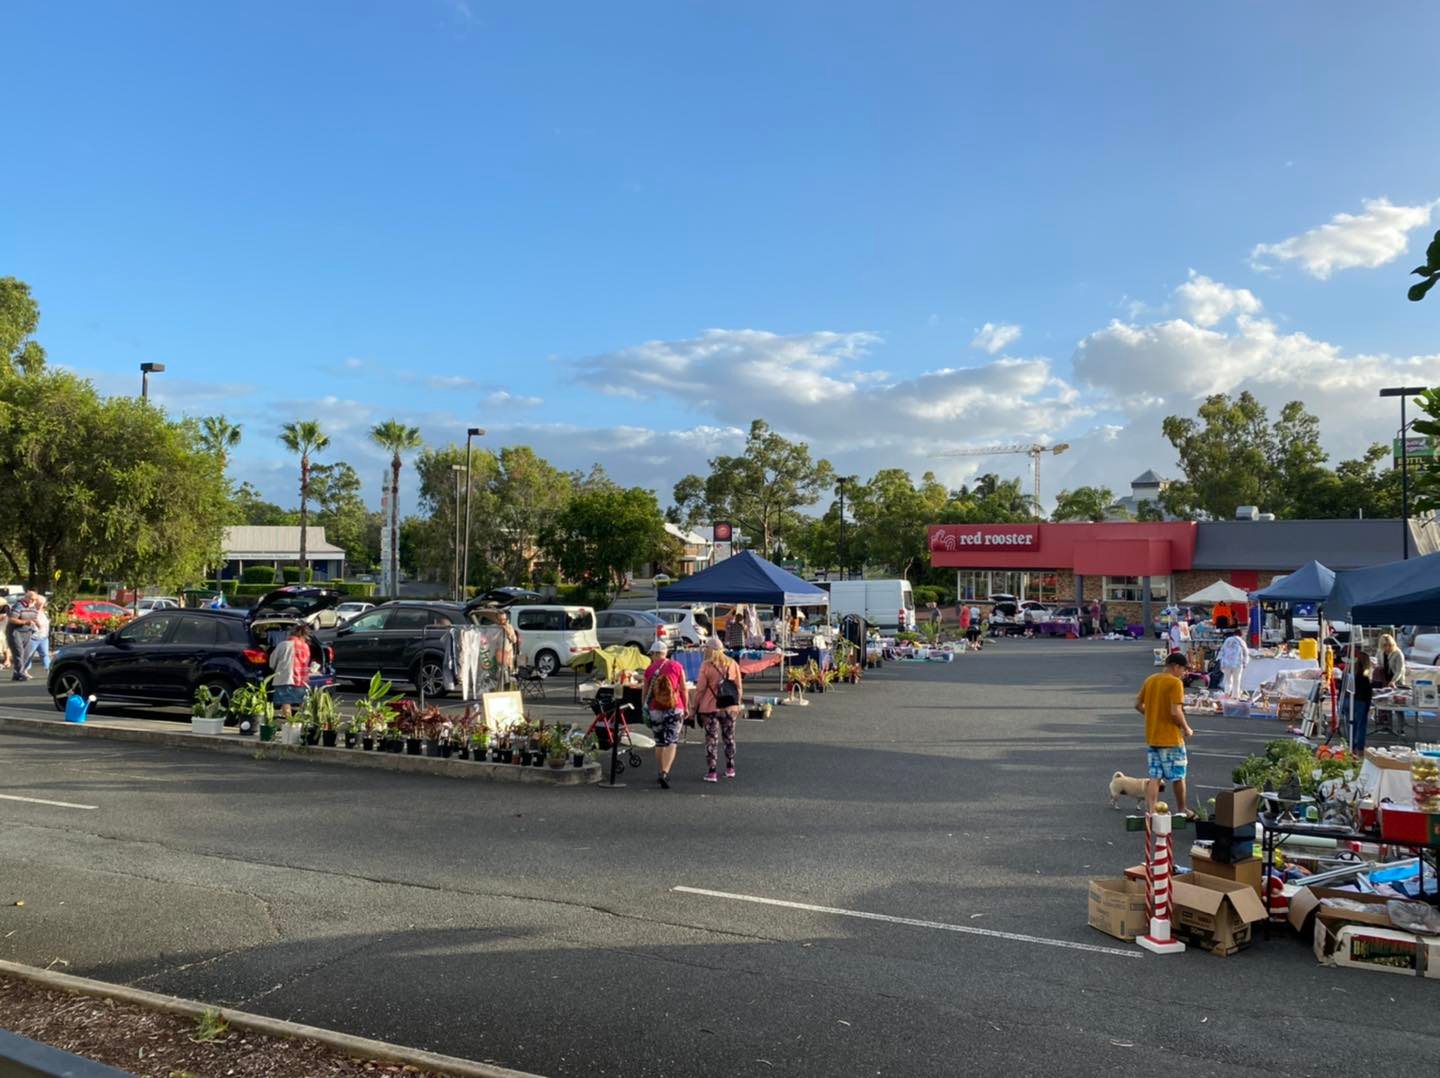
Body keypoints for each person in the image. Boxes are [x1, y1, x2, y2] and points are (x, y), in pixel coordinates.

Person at [1135, 652, 1195, 817]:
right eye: (1183, 669)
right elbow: (1175, 712)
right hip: (1171, 738)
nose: (1184, 673)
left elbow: (1138, 704)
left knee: (1155, 776)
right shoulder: (1175, 683)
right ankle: (1182, 810)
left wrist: (1152, 715)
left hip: (1153, 736)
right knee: (1178, 776)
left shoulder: (1151, 679)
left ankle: (1152, 811)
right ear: (1175, 667)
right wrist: (1186, 728)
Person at [690, 636, 743, 782]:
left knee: (711, 739)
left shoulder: (706, 665)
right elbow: (738, 687)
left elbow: (700, 689)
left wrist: (694, 707)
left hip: (710, 707)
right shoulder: (733, 664)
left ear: (710, 650)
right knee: (729, 737)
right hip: (730, 707)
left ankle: (712, 771)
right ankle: (730, 767)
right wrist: (737, 704)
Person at [643, 639, 687, 789]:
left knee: (660, 741)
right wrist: (686, 706)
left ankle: (661, 770)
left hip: (655, 708)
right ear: (666, 652)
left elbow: (645, 691)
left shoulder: (649, 669)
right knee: (671, 741)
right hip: (675, 707)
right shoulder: (677, 666)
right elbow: (683, 689)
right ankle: (665, 773)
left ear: (655, 654)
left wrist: (645, 707)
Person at [269, 622, 311, 721]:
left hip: (285, 678)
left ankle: (290, 722)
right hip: (301, 680)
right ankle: (303, 722)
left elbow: (272, 662)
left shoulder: (283, 645)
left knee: (286, 702)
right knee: (301, 702)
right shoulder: (305, 647)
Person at [8, 592, 39, 681]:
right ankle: (20, 673)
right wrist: (25, 622)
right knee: (19, 652)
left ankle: (17, 673)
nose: (33, 601)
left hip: (28, 632)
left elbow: (34, 617)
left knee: (26, 653)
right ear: (26, 597)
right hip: (16, 632)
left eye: (35, 599)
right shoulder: (18, 605)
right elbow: (12, 619)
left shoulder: (33, 607)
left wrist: (38, 624)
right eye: (32, 599)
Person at [1350, 649, 1374, 754]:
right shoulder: (1365, 677)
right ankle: (1359, 747)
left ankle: (1351, 745)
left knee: (1352, 724)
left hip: (1350, 700)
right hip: (1360, 701)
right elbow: (1367, 694)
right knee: (1361, 725)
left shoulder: (1351, 673)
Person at [493, 609, 519, 689]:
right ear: (497, 619)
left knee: (506, 675)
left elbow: (514, 640)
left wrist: (507, 631)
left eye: (504, 619)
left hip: (507, 655)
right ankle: (496, 690)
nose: (502, 622)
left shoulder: (509, 627)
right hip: (497, 655)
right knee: (496, 675)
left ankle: (506, 690)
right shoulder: (494, 628)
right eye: (500, 620)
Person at [1217, 630, 1248, 697]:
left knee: (1227, 680)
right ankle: (1235, 696)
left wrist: (1221, 662)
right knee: (1236, 681)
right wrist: (1245, 662)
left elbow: (1222, 651)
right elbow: (1246, 652)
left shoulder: (1227, 640)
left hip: (1227, 663)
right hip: (1237, 663)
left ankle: (1227, 694)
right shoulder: (1241, 641)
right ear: (1241, 635)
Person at [29, 595, 51, 674]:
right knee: (29, 655)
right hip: (33, 637)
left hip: (43, 637)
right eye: (40, 603)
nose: (42, 605)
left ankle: (48, 669)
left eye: (43, 604)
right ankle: (24, 670)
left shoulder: (45, 612)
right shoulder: (31, 611)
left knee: (45, 654)